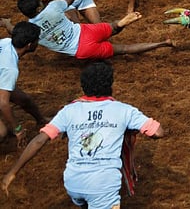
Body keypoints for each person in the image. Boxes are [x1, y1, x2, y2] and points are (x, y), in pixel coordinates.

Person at [1, 61, 165, 208]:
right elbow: (158, 132)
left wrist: (12, 172)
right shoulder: (124, 110)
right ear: (110, 85)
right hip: (104, 185)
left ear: (83, 86)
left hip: (73, 183)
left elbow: (38, 141)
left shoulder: (69, 111)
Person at [2, 0, 173, 59]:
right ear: (40, 5)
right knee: (111, 28)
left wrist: (7, 23)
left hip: (81, 50)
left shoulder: (28, 29)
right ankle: (119, 24)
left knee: (124, 49)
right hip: (85, 31)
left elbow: (14, 31)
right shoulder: (53, 7)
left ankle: (162, 44)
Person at [0, 21, 48, 148]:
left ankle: (41, 120)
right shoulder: (10, 69)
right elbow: (3, 103)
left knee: (24, 99)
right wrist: (18, 129)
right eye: (37, 40)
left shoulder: (6, 42)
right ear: (29, 45)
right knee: (2, 133)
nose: (38, 42)